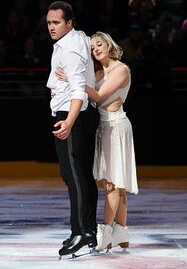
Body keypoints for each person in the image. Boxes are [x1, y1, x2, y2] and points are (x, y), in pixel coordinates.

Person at [55, 31, 139, 252]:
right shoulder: (99, 71)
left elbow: (99, 96)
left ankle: (104, 234)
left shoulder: (121, 69)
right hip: (104, 127)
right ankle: (121, 232)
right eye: (92, 48)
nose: (96, 49)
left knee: (113, 183)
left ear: (109, 44)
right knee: (116, 185)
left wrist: (75, 80)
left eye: (99, 44)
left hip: (116, 127)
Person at [45, 1, 99, 258]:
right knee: (82, 175)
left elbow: (78, 90)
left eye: (56, 23)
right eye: (49, 22)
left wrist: (68, 121)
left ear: (69, 23)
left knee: (74, 176)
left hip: (72, 113)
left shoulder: (70, 50)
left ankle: (81, 232)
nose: (51, 27)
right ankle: (86, 231)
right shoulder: (79, 39)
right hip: (83, 115)